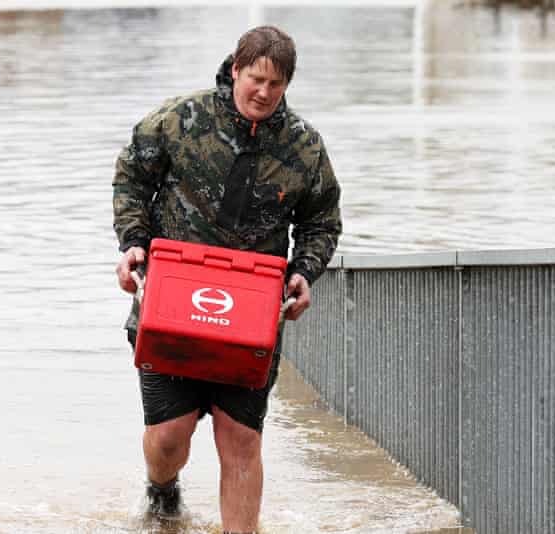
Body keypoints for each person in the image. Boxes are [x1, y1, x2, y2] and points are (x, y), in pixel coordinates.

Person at [111, 25, 342, 533]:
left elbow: (321, 220)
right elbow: (131, 178)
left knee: (241, 439)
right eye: (255, 79)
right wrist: (133, 242)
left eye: (275, 85)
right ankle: (162, 488)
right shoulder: (179, 121)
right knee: (170, 438)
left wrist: (304, 272)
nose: (263, 92)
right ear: (236, 70)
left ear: (286, 85)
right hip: (170, 303)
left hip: (253, 318)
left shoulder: (303, 147)